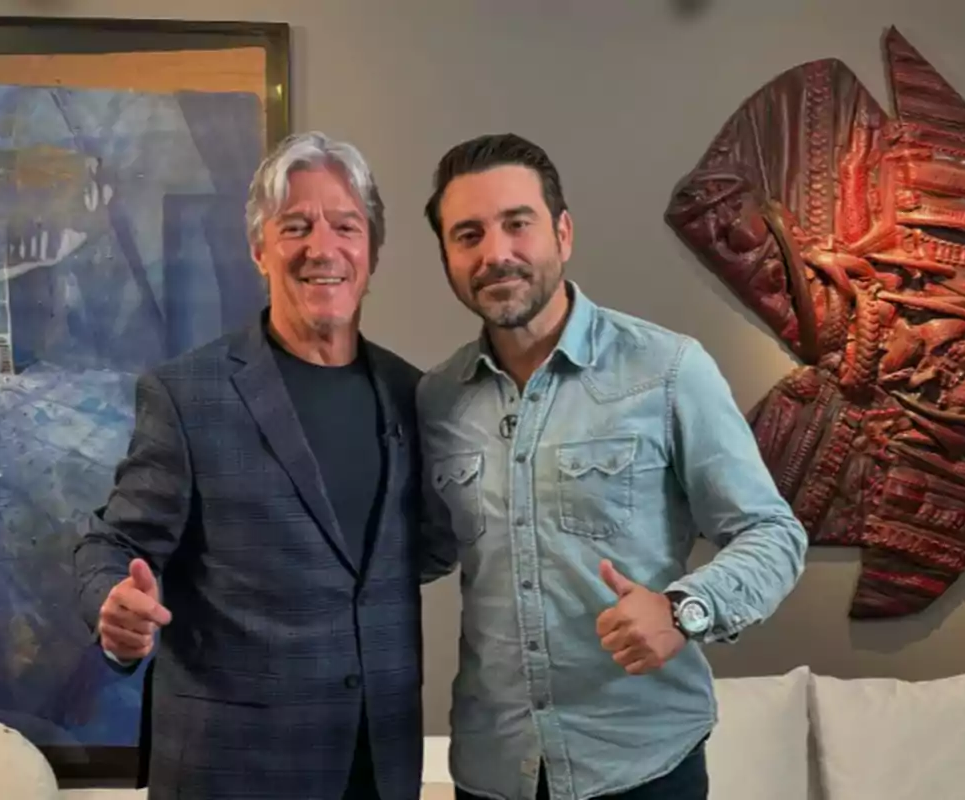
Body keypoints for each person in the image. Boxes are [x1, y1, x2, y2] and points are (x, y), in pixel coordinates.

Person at [416, 132, 809, 800]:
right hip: (492, 772)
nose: (496, 253)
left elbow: (775, 535)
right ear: (449, 258)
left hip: (642, 768)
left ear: (563, 233)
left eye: (517, 224)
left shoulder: (667, 370)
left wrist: (684, 610)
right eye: (468, 234)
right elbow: (416, 553)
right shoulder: (437, 399)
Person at [74, 131, 446, 800]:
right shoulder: (187, 395)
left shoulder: (413, 394)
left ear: (372, 253)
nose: (321, 248)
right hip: (233, 771)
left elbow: (421, 553)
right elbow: (114, 542)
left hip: (379, 766)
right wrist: (116, 607)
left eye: (345, 226)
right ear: (259, 249)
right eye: (295, 226)